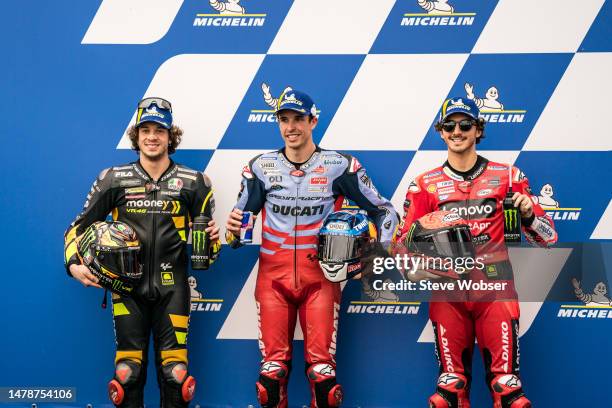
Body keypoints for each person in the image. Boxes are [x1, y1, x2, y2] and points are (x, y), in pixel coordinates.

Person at [225, 90, 399, 408]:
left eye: (298, 119)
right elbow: (239, 230)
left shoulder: (340, 165)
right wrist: (233, 231)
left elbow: (385, 211)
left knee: (323, 379)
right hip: (272, 280)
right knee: (270, 378)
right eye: (284, 119)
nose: (291, 127)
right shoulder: (260, 167)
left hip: (322, 279)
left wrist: (378, 253)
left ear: (313, 121)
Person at [396, 97, 557, 408]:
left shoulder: (509, 178)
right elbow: (402, 246)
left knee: (508, 391)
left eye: (465, 124)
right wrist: (419, 267)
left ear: (478, 130)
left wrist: (529, 216)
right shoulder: (424, 185)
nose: (457, 131)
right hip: (447, 295)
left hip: (495, 290)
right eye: (450, 125)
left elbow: (549, 238)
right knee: (448, 392)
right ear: (440, 131)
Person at [63, 97, 221, 408]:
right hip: (126, 291)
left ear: (170, 136)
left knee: (176, 375)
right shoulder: (113, 179)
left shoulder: (196, 182)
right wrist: (72, 265)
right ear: (136, 136)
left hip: (173, 288)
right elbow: (78, 227)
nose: (152, 136)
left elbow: (208, 256)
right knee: (127, 373)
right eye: (145, 129)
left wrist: (214, 242)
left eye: (159, 130)